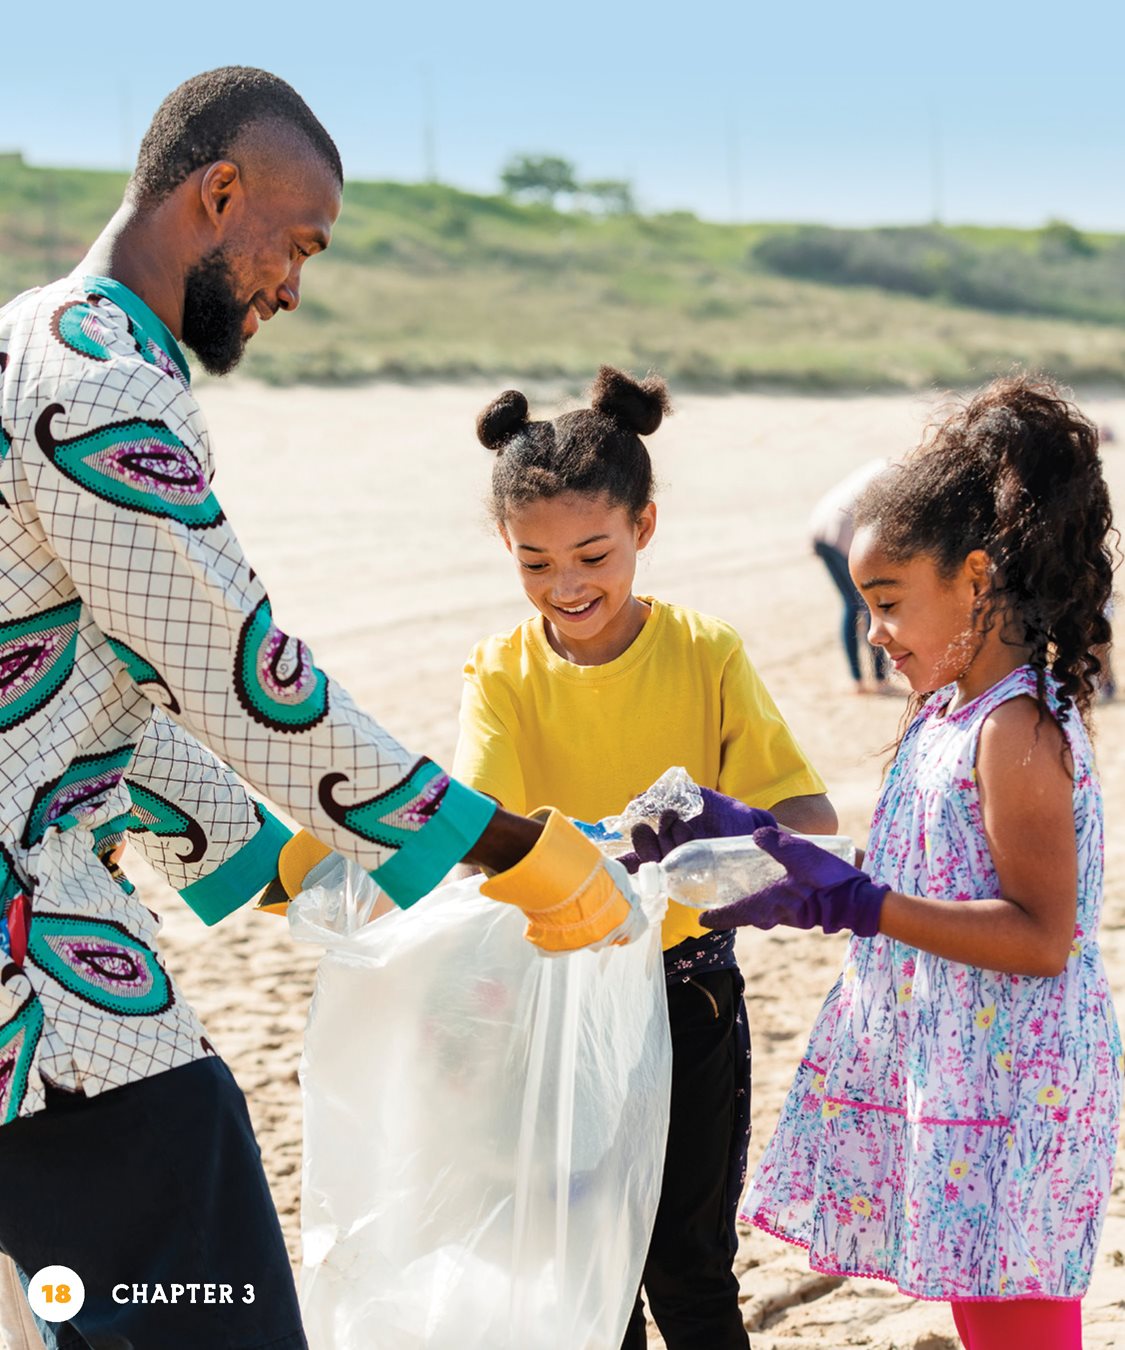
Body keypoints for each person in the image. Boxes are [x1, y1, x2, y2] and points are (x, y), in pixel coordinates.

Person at [0, 68, 641, 1350]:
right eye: (296, 244)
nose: (294, 285)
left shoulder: (27, 330)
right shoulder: (102, 385)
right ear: (216, 191)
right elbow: (243, 678)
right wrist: (503, 844)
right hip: (34, 960)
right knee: (205, 1268)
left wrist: (266, 859)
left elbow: (99, 683)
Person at [681, 376, 1122, 1349]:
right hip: (963, 1068)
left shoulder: (1016, 728)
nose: (873, 632)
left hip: (1020, 1084)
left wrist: (856, 905)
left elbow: (1044, 937)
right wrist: (765, 854)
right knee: (984, 1311)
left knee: (1020, 1323)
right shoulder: (948, 713)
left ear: (973, 578)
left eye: (887, 602)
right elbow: (920, 869)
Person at [452, 366, 837, 1350]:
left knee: (688, 1265)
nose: (567, 585)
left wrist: (711, 842)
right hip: (555, 1001)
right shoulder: (499, 673)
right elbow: (476, 834)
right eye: (536, 563)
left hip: (687, 991)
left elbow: (808, 811)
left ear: (644, 529)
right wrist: (593, 852)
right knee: (589, 1271)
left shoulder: (704, 652)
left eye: (593, 553)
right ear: (506, 546)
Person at [808, 458, 891, 693]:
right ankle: (877, 679)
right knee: (865, 606)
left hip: (821, 529)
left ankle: (862, 680)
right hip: (840, 536)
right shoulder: (893, 475)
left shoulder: (880, 465)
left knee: (854, 605)